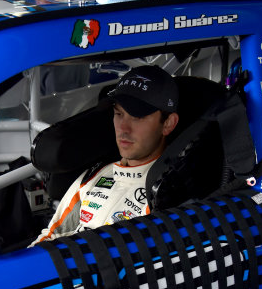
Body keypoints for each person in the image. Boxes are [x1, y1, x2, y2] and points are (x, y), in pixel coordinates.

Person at [30, 65, 179, 244]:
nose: (123, 128)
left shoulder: (165, 194)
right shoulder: (96, 173)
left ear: (168, 124)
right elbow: (51, 234)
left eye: (137, 117)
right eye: (119, 113)